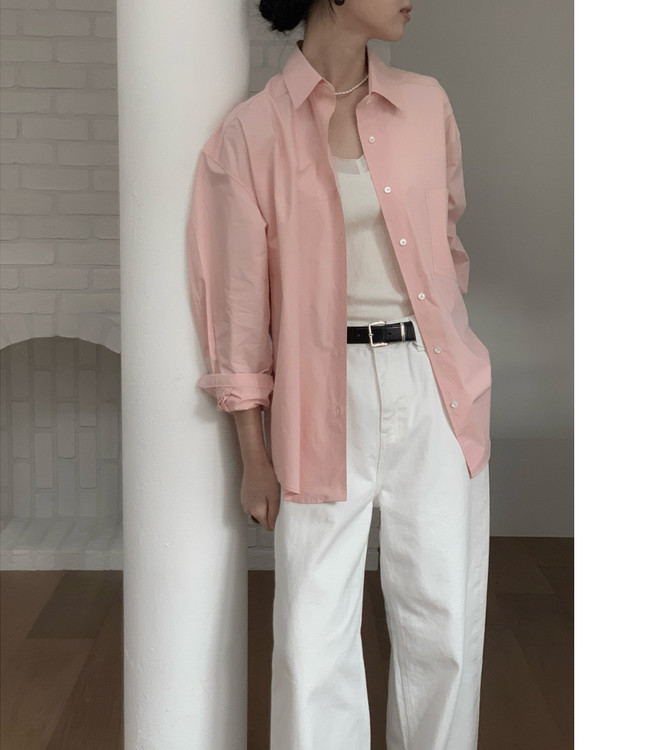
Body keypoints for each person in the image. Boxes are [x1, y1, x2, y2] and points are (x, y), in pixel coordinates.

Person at [185, 1, 493, 747]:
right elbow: (237, 307)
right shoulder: (252, 133)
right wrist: (253, 454)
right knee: (312, 631)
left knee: (444, 621)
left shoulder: (427, 105)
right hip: (320, 393)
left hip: (434, 384)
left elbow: (447, 247)